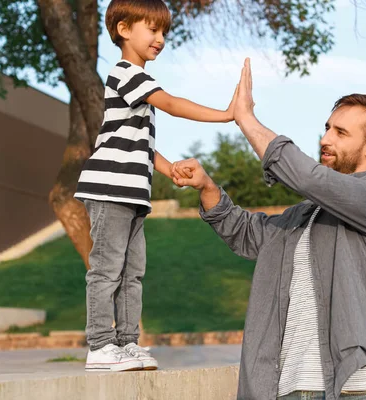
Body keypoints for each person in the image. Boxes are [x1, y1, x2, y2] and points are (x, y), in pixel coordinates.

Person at [171, 59, 366, 399]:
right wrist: (208, 188)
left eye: (341, 133)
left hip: (358, 387)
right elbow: (246, 233)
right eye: (327, 128)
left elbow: (307, 176)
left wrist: (246, 119)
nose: (325, 139)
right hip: (290, 389)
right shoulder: (304, 215)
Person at [74, 0, 237, 372]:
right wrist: (227, 115)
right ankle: (100, 346)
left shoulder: (137, 85)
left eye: (164, 31)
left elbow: (141, 144)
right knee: (107, 268)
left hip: (131, 193)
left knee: (132, 272)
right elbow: (173, 104)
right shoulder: (127, 73)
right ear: (124, 29)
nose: (160, 38)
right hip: (109, 188)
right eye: (152, 29)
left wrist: (170, 169)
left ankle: (126, 344)